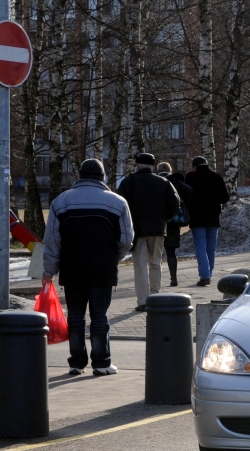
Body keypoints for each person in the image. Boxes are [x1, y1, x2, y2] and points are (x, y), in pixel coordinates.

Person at [42, 159, 133, 376]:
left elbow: (53, 241)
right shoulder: (118, 202)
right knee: (100, 316)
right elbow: (126, 239)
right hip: (103, 268)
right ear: (102, 178)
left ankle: (76, 362)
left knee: (75, 316)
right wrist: (113, 257)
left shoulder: (60, 202)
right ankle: (102, 363)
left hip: (72, 268)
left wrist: (49, 271)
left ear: (80, 176)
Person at [118, 153, 180, 311]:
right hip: (158, 229)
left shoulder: (128, 182)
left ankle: (142, 301)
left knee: (139, 265)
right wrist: (164, 218)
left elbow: (120, 205)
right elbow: (175, 203)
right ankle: (156, 297)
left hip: (137, 230)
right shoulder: (163, 182)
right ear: (153, 166)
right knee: (155, 263)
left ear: (137, 165)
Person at [185, 156, 231, 286]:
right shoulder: (217, 177)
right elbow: (225, 198)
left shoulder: (190, 178)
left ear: (194, 166)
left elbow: (186, 197)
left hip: (197, 218)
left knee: (200, 246)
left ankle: (205, 276)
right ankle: (209, 274)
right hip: (213, 217)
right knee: (211, 248)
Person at [157, 162, 193, 287]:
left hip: (158, 221)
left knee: (157, 252)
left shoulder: (156, 181)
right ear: (170, 170)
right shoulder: (176, 181)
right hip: (173, 221)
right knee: (171, 251)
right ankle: (174, 278)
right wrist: (183, 204)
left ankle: (157, 280)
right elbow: (189, 191)